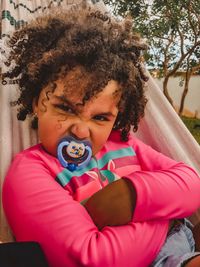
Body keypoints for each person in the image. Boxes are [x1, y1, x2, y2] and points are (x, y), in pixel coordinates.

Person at [2, 4, 200, 267]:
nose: (81, 131)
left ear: (116, 118)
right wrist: (165, 216)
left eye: (100, 118)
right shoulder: (30, 172)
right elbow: (93, 258)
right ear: (38, 103)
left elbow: (192, 183)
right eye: (65, 108)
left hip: (179, 244)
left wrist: (132, 196)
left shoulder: (123, 143)